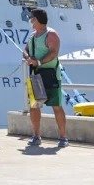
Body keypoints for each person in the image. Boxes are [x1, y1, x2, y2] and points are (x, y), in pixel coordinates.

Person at [24, 8, 68, 147]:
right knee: (34, 106)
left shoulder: (51, 34)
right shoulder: (32, 36)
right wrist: (28, 57)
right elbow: (25, 50)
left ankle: (63, 138)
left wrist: (38, 62)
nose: (31, 21)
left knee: (56, 106)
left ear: (37, 19)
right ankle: (36, 136)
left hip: (51, 75)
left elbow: (53, 53)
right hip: (35, 76)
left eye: (32, 18)